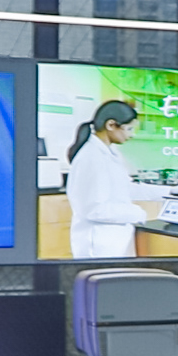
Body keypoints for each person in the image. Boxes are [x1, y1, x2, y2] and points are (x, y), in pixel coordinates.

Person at [64, 100, 147, 259]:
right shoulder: (91, 157)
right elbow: (94, 210)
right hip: (98, 244)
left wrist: (170, 191)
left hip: (113, 240)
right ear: (111, 125)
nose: (132, 135)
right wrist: (137, 213)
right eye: (129, 129)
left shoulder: (109, 153)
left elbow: (126, 188)